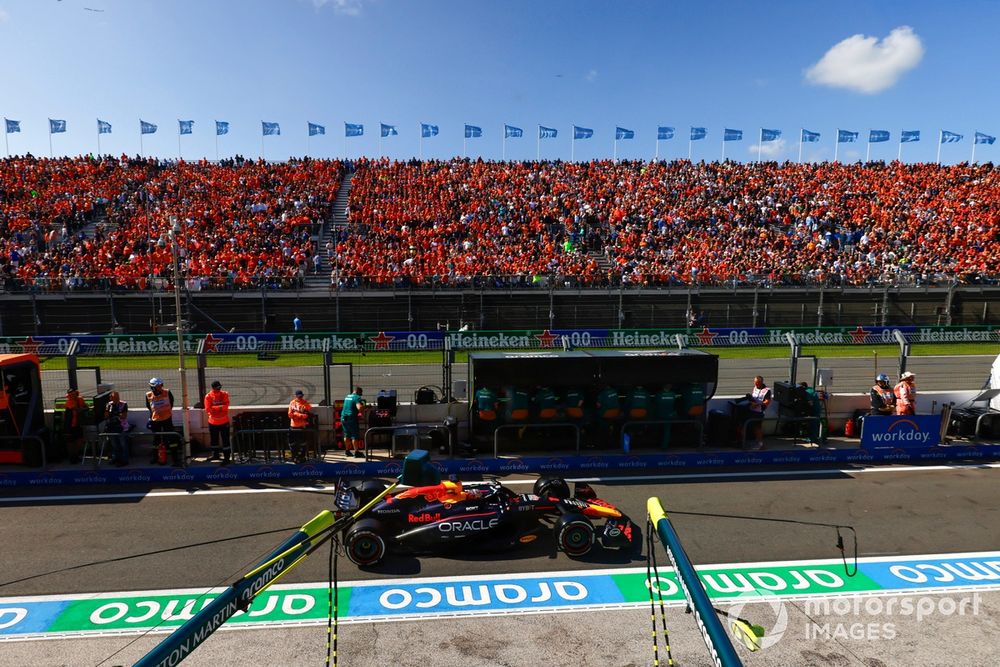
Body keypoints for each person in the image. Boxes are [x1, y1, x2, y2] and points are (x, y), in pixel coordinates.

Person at [145, 377, 179, 466]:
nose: (160, 387)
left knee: (172, 439)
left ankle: (175, 459)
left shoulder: (167, 392)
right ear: (153, 387)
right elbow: (149, 407)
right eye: (158, 386)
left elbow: (171, 403)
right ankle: (155, 457)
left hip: (167, 419)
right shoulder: (148, 395)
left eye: (161, 385)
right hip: (155, 421)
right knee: (156, 440)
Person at [204, 380, 231, 464]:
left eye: (220, 387)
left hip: (224, 422)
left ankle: (227, 458)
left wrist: (215, 408)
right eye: (217, 388)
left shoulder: (225, 394)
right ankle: (215, 455)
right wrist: (220, 408)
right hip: (213, 422)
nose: (219, 389)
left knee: (226, 440)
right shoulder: (208, 396)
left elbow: (226, 407)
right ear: (213, 388)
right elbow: (208, 409)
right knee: (214, 440)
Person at [103, 391, 130, 467]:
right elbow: (106, 416)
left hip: (122, 427)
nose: (115, 399)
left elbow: (123, 416)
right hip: (111, 427)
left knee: (123, 444)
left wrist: (115, 414)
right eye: (113, 397)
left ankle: (124, 460)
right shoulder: (109, 405)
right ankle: (116, 458)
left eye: (116, 397)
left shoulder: (123, 404)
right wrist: (109, 411)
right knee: (114, 444)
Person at [288, 389, 312, 463]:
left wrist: (296, 415)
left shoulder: (305, 403)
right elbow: (290, 414)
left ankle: (302, 457)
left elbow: (306, 415)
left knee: (303, 443)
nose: (300, 397)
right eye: (298, 396)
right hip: (293, 426)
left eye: (301, 396)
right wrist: (299, 415)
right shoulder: (292, 403)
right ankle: (294, 457)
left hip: (302, 426)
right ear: (296, 396)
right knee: (293, 443)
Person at [340, 387, 366, 457]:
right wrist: (364, 407)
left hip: (343, 417)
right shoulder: (357, 397)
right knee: (354, 436)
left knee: (346, 435)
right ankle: (356, 452)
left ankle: (347, 451)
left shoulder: (347, 396)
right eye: (361, 393)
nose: (361, 395)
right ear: (358, 392)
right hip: (351, 418)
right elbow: (359, 408)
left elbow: (350, 406)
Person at [747, 376, 772, 450]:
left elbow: (767, 402)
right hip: (752, 410)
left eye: (757, 383)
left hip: (759, 412)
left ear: (761, 382)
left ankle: (761, 444)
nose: (755, 384)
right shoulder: (755, 387)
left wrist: (757, 404)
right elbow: (754, 397)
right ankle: (756, 442)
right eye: (755, 383)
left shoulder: (767, 390)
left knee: (758, 428)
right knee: (753, 427)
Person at [64, 388, 86, 464]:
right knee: (70, 442)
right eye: (70, 394)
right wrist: (83, 409)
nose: (72, 396)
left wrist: (83, 408)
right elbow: (78, 410)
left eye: (73, 394)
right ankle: (72, 457)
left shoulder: (80, 399)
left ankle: (76, 455)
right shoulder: (69, 402)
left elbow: (86, 407)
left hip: (78, 425)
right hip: (69, 425)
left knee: (79, 441)